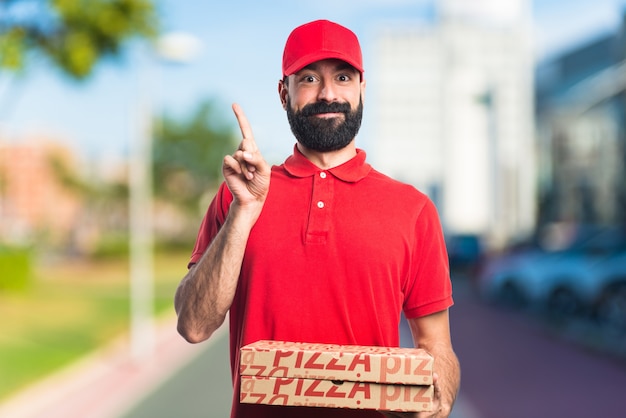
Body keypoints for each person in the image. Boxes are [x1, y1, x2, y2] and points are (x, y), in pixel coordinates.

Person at [174, 19, 460, 418]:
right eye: (308, 78)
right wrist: (244, 212)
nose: (328, 94)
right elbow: (194, 325)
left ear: (362, 88)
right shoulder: (238, 195)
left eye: (343, 77)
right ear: (283, 92)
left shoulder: (413, 210)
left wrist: (441, 395)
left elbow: (437, 348)